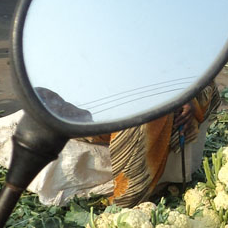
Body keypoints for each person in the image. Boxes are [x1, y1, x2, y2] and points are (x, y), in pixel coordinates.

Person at [86, 84, 220, 207]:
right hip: (96, 92)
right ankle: (128, 197)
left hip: (152, 79)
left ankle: (168, 177)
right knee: (148, 112)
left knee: (203, 84)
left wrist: (184, 94)